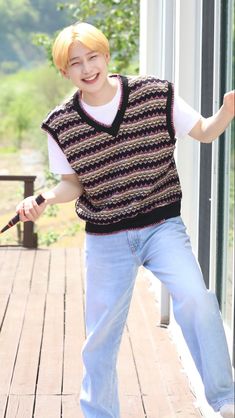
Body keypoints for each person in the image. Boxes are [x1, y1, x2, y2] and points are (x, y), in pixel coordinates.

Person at [16, 22, 235, 418]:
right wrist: (45, 198)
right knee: (99, 338)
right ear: (64, 72)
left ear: (106, 55)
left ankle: (225, 400)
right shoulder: (61, 124)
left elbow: (203, 132)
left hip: (161, 227)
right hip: (107, 237)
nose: (87, 68)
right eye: (75, 63)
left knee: (197, 299)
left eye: (92, 57)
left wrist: (226, 112)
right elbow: (72, 184)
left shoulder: (155, 93)